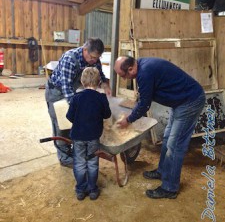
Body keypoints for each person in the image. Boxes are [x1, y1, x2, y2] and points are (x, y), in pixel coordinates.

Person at [114, 56, 205, 199]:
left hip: (190, 102)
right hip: (180, 102)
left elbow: (145, 104)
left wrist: (129, 119)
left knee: (175, 145)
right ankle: (162, 171)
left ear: (131, 68)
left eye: (123, 75)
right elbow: (142, 96)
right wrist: (131, 112)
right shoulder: (141, 66)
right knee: (168, 137)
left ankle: (170, 188)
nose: (124, 79)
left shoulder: (145, 72)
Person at [45, 38, 111, 167]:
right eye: (92, 57)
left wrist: (105, 85)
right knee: (61, 125)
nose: (94, 61)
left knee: (73, 124)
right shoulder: (70, 58)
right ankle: (64, 158)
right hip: (57, 92)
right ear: (85, 50)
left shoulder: (94, 59)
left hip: (71, 90)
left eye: (96, 58)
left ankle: (73, 150)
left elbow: (100, 74)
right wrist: (79, 108)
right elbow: (66, 87)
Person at [66, 67, 111, 200]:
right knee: (92, 162)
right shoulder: (101, 98)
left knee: (79, 162)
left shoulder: (76, 98)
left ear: (82, 81)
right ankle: (92, 190)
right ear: (98, 83)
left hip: (78, 136)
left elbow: (69, 117)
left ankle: (80, 190)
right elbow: (107, 114)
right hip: (93, 137)